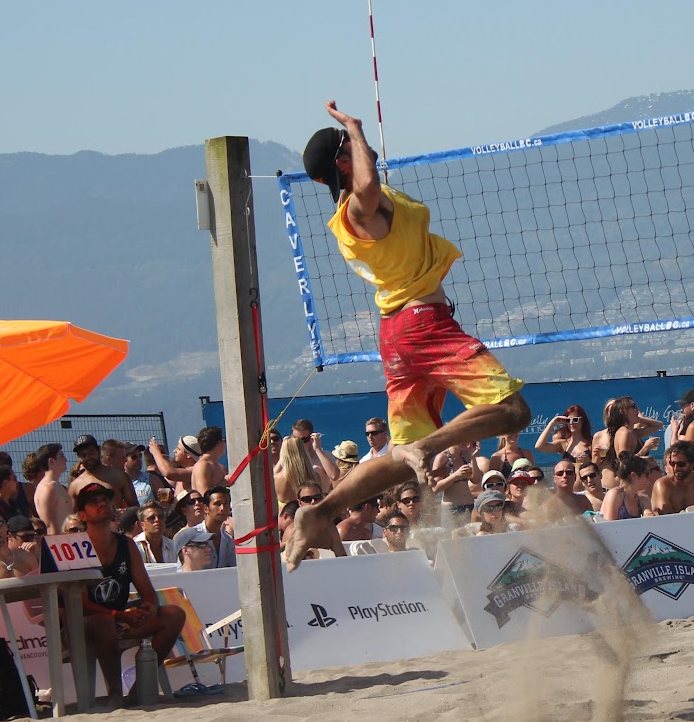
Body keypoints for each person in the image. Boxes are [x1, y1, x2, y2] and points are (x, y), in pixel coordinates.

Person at [286, 104, 533, 567]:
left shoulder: (357, 210)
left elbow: (367, 184)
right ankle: (424, 446)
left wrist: (357, 144)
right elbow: (364, 184)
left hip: (399, 330)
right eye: (351, 150)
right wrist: (354, 130)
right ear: (343, 161)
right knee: (513, 410)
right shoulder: (359, 207)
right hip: (423, 325)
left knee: (400, 462)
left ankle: (320, 511)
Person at [71, 480, 186, 705]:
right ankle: (116, 694)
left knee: (174, 614)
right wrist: (119, 616)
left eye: (105, 499)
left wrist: (148, 608)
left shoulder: (127, 545)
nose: (103, 503)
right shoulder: (76, 546)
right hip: (85, 624)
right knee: (103, 620)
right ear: (82, 516)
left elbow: (148, 593)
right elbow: (79, 604)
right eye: (94, 502)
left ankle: (139, 688)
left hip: (118, 617)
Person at [66, 435, 138, 511]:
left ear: (98, 450)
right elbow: (73, 517)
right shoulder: (75, 486)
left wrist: (122, 514)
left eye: (91, 453)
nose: (88, 458)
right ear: (78, 457)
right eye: (83, 455)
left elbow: (135, 509)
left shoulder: (119, 476)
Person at [171, 486, 235, 568]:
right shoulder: (190, 536)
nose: (223, 508)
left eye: (226, 504)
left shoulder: (228, 540)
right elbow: (182, 570)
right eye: (217, 504)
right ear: (206, 509)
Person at [650, 441, 694, 515]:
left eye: (681, 464)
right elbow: (666, 517)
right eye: (672, 463)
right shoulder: (663, 484)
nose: (676, 468)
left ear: (692, 464)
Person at [28, 443, 73, 534]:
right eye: (61, 456)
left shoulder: (56, 486)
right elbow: (49, 526)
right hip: (60, 543)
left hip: (68, 541)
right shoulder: (48, 487)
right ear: (51, 461)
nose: (66, 459)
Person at [599, 455, 658, 521]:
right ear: (634, 475)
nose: (649, 477)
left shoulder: (643, 500)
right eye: (647, 474)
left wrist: (648, 514)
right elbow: (609, 526)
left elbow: (648, 515)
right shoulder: (615, 494)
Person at [273, 436, 326, 506]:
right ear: (304, 452)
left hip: (288, 515)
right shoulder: (315, 476)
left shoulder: (277, 478)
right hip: (309, 515)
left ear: (284, 454)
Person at [190, 427, 229, 497]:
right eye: (224, 440)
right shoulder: (202, 465)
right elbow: (204, 495)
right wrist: (224, 482)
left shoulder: (220, 467)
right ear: (218, 443)